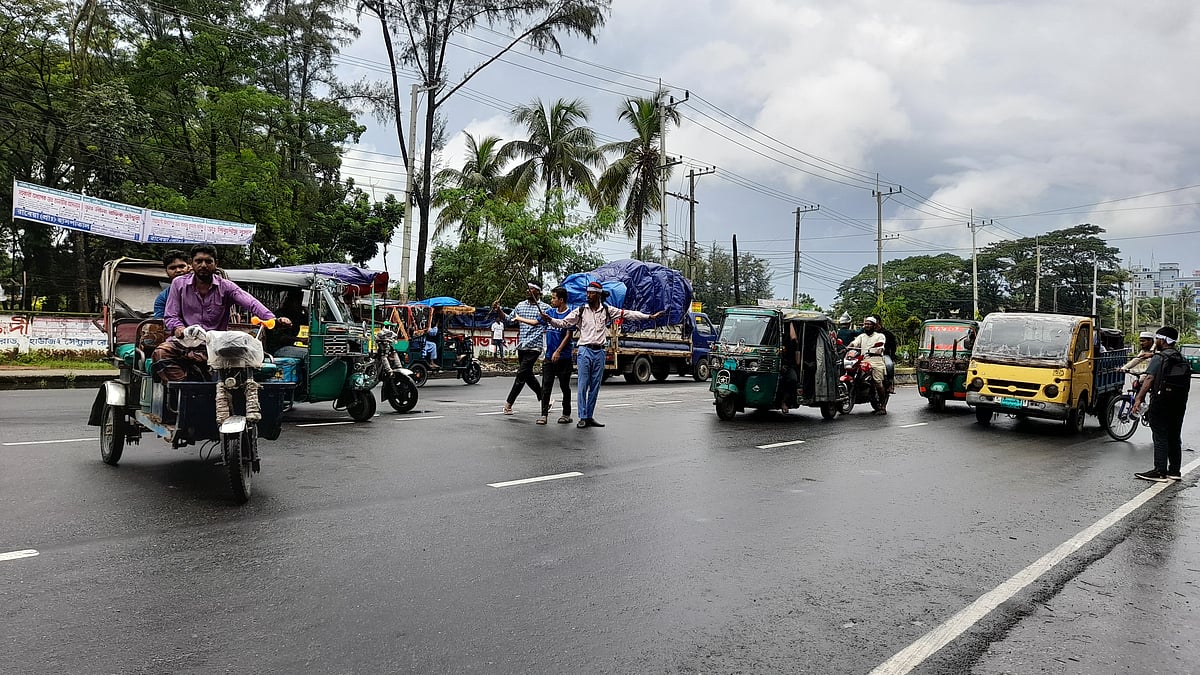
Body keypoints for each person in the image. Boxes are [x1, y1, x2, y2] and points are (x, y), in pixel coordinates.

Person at [153, 245, 291, 382]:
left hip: (214, 345)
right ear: (192, 263)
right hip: (184, 342)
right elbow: (171, 315)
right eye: (199, 261)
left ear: (215, 264)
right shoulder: (179, 284)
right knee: (161, 353)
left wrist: (273, 319)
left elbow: (251, 303)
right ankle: (185, 388)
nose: (203, 265)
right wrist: (180, 329)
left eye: (208, 261)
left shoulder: (226, 286)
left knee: (240, 365)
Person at [542, 281, 665, 428]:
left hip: (600, 351)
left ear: (598, 295)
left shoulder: (607, 310)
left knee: (595, 386)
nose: (588, 295)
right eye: (587, 292)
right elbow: (564, 323)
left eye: (591, 293)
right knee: (582, 385)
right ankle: (582, 416)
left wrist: (649, 317)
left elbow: (627, 314)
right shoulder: (581, 310)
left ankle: (589, 416)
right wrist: (550, 320)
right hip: (584, 350)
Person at [1131, 326, 1191, 482]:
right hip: (1179, 403)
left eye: (1157, 338)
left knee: (1160, 436)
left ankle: (1159, 471)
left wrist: (1139, 398)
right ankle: (1174, 471)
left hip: (1161, 401)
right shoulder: (1181, 358)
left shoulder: (1160, 358)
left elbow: (1149, 378)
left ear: (1162, 340)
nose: (1155, 342)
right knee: (1174, 436)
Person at [492, 282, 550, 415]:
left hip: (534, 347)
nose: (528, 291)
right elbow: (508, 320)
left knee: (520, 375)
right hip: (522, 346)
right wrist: (499, 310)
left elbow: (540, 323)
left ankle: (508, 405)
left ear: (538, 292)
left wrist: (520, 319)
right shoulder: (520, 305)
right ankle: (544, 398)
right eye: (527, 289)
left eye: (532, 289)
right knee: (527, 375)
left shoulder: (544, 308)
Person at [537, 286, 576, 425]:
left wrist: (558, 351)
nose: (552, 300)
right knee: (546, 385)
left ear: (561, 299)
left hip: (564, 357)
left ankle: (566, 414)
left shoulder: (570, 314)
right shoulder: (550, 312)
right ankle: (543, 415)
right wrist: (519, 318)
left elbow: (568, 335)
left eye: (554, 298)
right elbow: (537, 322)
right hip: (549, 356)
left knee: (565, 386)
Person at [847, 316, 890, 414]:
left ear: (874, 326)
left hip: (876, 360)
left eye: (869, 324)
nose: (866, 326)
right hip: (864, 360)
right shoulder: (862, 336)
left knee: (878, 382)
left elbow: (881, 346)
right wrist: (847, 348)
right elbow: (854, 343)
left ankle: (883, 407)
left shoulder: (880, 336)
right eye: (865, 324)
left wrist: (878, 351)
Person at [153, 250, 191, 318]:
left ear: (189, 267)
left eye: (181, 266)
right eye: (172, 268)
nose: (178, 270)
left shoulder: (204, 289)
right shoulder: (163, 298)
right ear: (166, 271)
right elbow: (160, 322)